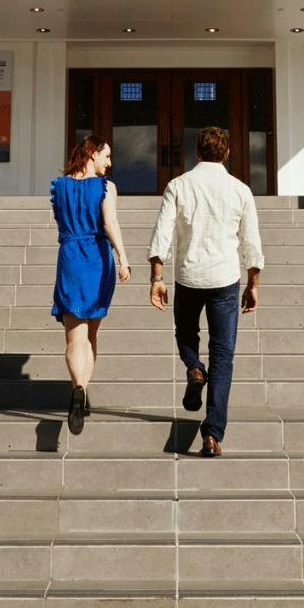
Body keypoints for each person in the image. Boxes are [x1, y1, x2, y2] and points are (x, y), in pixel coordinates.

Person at [146, 126, 264, 457]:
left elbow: (162, 235)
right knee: (223, 355)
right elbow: (251, 242)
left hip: (188, 277)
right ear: (226, 154)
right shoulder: (240, 190)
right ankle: (212, 435)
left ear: (196, 152)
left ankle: (195, 367)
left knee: (186, 335)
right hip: (225, 279)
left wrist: (157, 277)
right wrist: (253, 284)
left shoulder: (178, 186)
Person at [49, 136, 130, 434]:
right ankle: (82, 390)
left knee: (74, 337)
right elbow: (110, 223)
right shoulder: (106, 187)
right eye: (106, 156)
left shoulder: (59, 186)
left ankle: (78, 389)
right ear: (91, 154)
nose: (109, 163)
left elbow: (61, 221)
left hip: (70, 256)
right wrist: (123, 257)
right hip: (97, 258)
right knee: (91, 335)